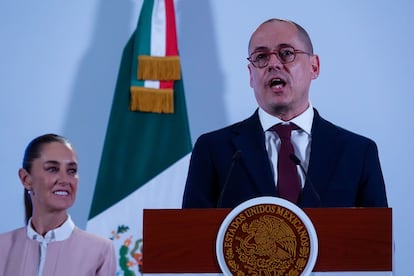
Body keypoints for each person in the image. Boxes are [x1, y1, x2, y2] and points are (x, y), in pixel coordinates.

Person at [182, 18, 388, 209]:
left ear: (314, 67)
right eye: (261, 57)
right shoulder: (214, 150)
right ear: (251, 75)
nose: (273, 64)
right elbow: (190, 236)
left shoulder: (358, 152)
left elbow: (377, 243)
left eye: (287, 53)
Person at [0, 134, 117, 275]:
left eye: (71, 171)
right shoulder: (3, 246)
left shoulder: (100, 250)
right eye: (52, 169)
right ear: (26, 179)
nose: (64, 180)